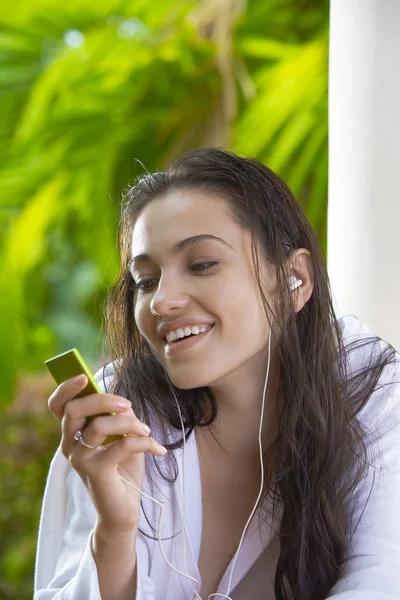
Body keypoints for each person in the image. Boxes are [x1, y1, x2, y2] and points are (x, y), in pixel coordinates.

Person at [34, 147, 400, 600]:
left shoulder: (371, 391)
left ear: (295, 280)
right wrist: (115, 530)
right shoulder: (119, 413)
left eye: (202, 264)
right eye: (145, 279)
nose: (162, 301)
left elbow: (383, 577)